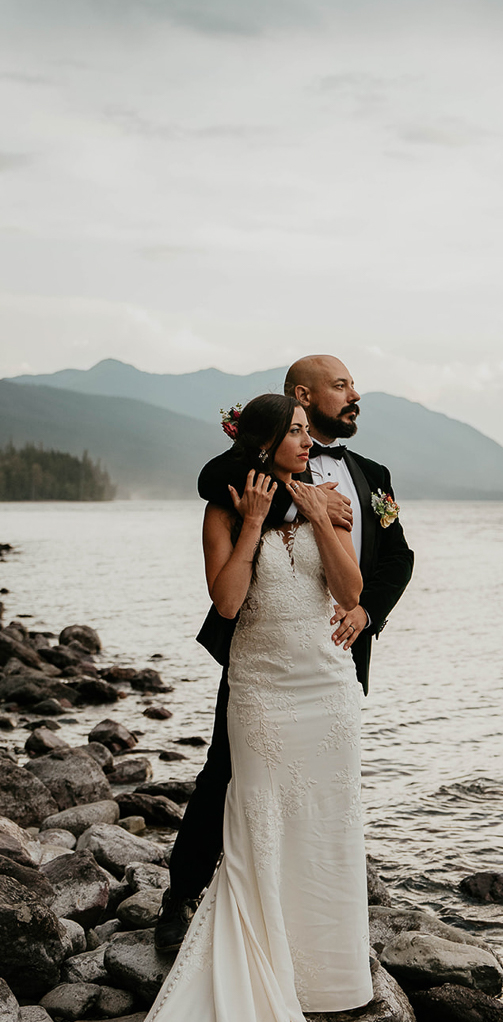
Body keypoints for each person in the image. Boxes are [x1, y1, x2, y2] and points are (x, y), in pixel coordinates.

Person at [42, 393, 379, 1022]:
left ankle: (322, 978)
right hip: (260, 688)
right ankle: (258, 981)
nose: (307, 441)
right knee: (256, 822)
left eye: (306, 430)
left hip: (325, 689)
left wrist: (321, 516)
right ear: (261, 443)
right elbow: (226, 601)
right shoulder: (223, 513)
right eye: (293, 432)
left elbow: (353, 593)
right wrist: (258, 521)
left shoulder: (328, 498)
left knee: (326, 824)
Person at [156, 354, 413, 950]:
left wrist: (366, 611)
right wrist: (306, 502)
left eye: (353, 384)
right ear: (303, 393)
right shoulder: (241, 467)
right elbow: (212, 487)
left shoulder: (372, 476)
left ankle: (310, 916)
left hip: (331, 652)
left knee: (321, 785)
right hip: (261, 653)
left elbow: (397, 556)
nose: (355, 395)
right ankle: (182, 894)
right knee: (225, 772)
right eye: (341, 385)